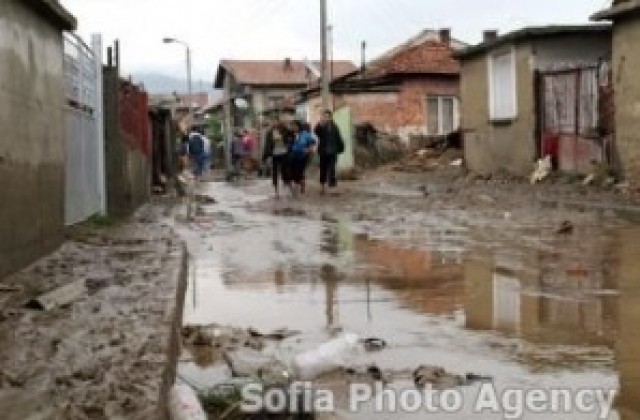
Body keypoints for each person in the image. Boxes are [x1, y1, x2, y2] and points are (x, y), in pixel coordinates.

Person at [314, 110, 344, 195]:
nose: (326, 118)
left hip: (333, 151)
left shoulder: (335, 126)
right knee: (323, 169)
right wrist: (320, 123)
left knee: (332, 169)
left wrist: (341, 147)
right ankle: (322, 186)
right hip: (323, 152)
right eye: (324, 116)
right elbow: (316, 132)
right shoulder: (321, 126)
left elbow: (338, 137)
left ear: (331, 117)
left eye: (327, 116)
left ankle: (332, 188)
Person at [263, 117, 293, 198]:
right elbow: (267, 145)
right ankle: (276, 192)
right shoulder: (269, 132)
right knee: (275, 173)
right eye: (273, 122)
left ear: (279, 122)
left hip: (284, 153)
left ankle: (289, 187)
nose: (275, 123)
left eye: (276, 121)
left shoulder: (284, 130)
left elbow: (292, 134)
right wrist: (267, 156)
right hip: (275, 154)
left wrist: (286, 125)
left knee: (286, 171)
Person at [290, 120, 317, 195]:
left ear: (299, 126)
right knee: (294, 171)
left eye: (295, 126)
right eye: (292, 126)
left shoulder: (305, 134)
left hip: (302, 155)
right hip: (293, 155)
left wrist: (309, 149)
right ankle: (301, 182)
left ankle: (297, 186)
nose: (294, 127)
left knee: (299, 170)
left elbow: (313, 141)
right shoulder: (290, 134)